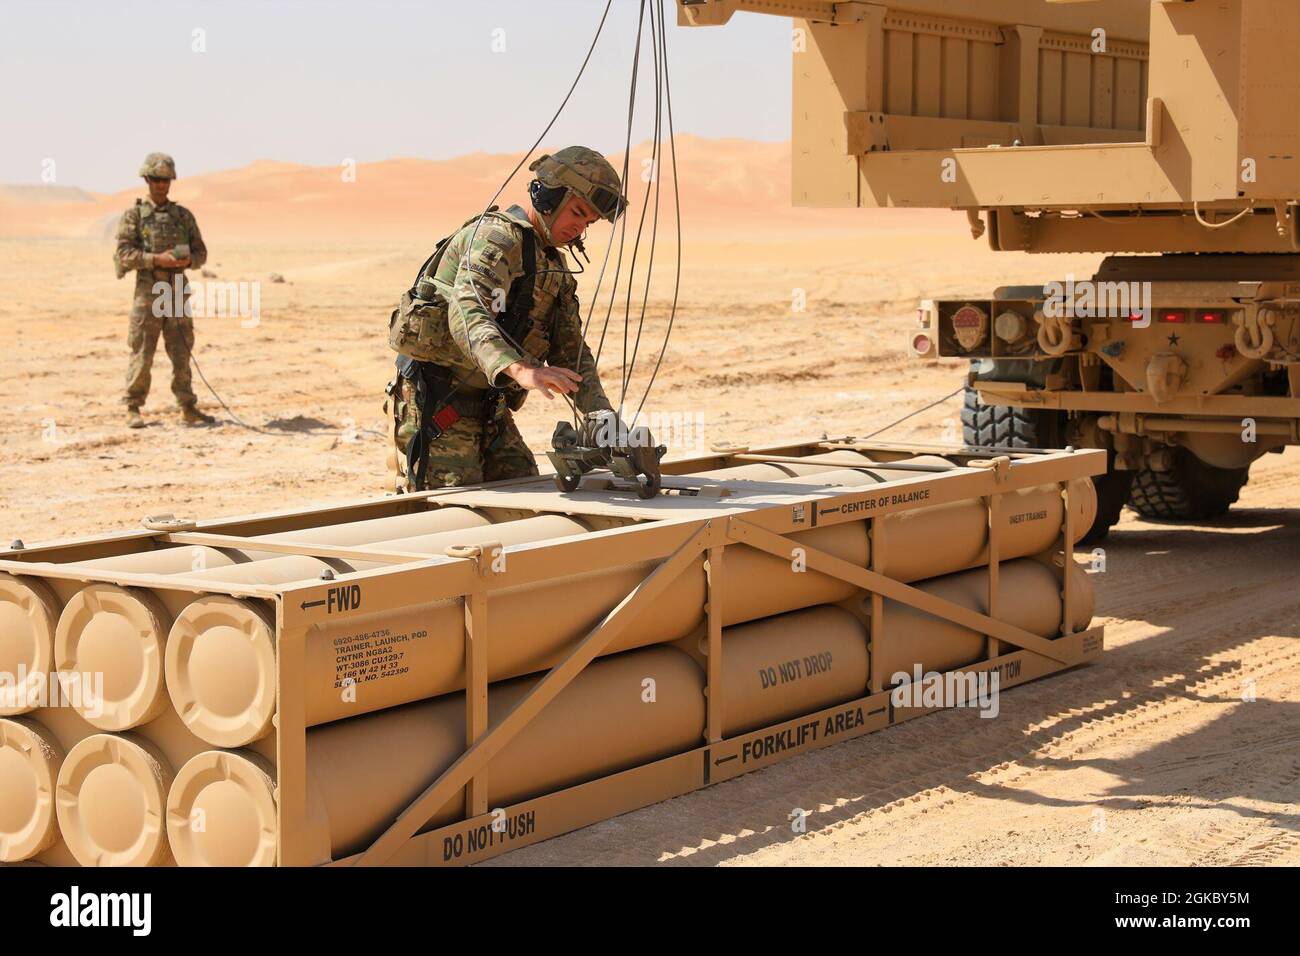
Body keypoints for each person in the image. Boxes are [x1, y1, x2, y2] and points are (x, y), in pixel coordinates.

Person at [387, 146, 634, 489]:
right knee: (452, 504)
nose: (579, 229)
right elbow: (468, 312)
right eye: (577, 213)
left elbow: (571, 353)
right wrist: (523, 371)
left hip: (490, 404)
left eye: (589, 222)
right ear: (549, 195)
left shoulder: (554, 267)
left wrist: (602, 420)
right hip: (439, 398)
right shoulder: (496, 239)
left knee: (524, 491)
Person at [113, 152, 215, 428]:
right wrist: (157, 259)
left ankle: (187, 406)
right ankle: (133, 407)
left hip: (177, 290)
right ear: (147, 179)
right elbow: (124, 253)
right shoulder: (135, 216)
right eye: (157, 179)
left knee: (181, 350)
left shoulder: (182, 216)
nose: (161, 184)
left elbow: (201, 252)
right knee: (142, 350)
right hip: (149, 290)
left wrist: (188, 260)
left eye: (166, 180)